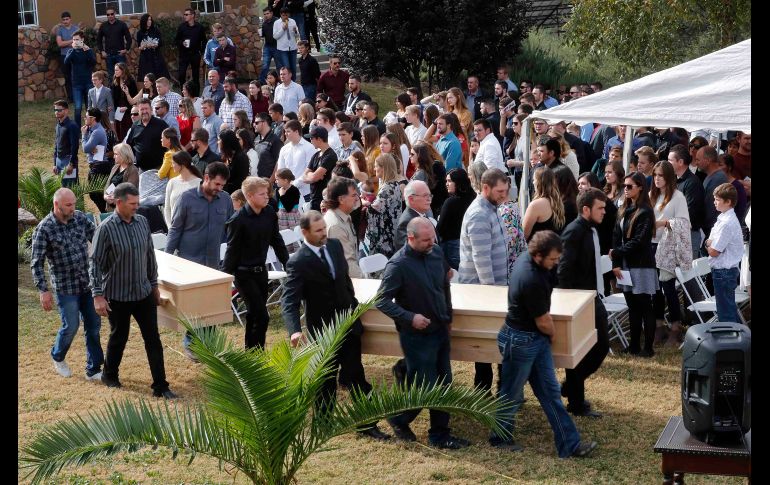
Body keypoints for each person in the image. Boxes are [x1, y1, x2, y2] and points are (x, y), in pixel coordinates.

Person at [280, 210, 390, 439]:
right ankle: (324, 425)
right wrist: (294, 331)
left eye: (324, 228)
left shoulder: (334, 246)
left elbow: (344, 281)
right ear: (305, 232)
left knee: (356, 375)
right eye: (318, 230)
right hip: (323, 331)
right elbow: (289, 301)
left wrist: (354, 308)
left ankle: (366, 424)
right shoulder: (298, 262)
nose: (324, 233)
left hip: (348, 324)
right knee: (326, 382)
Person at [490, 230, 597, 458]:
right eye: (552, 259)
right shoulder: (531, 279)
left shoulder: (533, 262)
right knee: (511, 393)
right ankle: (499, 438)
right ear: (538, 255)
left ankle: (569, 445)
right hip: (521, 341)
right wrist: (553, 335)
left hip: (531, 339)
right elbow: (544, 322)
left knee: (550, 394)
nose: (556, 263)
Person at [377, 217, 470, 449]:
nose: (432, 243)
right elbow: (381, 301)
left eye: (433, 238)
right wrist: (410, 317)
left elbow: (444, 286)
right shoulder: (398, 265)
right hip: (416, 336)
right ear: (411, 238)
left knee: (444, 383)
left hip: (440, 329)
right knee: (426, 387)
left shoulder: (436, 252)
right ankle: (398, 419)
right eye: (426, 240)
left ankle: (440, 434)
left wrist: (448, 316)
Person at [89, 182, 177, 399]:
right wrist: (97, 295)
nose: (137, 207)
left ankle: (160, 386)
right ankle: (109, 375)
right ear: (119, 203)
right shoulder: (106, 229)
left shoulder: (142, 222)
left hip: (143, 292)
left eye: (138, 203)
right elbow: (95, 263)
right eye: (132, 204)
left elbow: (149, 255)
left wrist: (154, 285)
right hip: (117, 295)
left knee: (153, 339)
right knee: (119, 336)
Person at [31, 188, 103, 380]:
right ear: (57, 205)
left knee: (93, 325)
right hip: (65, 288)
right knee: (71, 326)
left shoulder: (79, 218)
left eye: (74, 204)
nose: (73, 208)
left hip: (87, 283)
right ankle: (58, 356)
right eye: (68, 205)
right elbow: (36, 262)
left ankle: (94, 369)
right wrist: (43, 290)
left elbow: (97, 239)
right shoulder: (44, 228)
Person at [165, 162, 233, 358]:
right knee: (194, 305)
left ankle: (208, 344)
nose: (219, 189)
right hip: (189, 262)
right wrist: (168, 258)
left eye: (222, 185)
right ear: (206, 178)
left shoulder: (225, 199)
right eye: (217, 184)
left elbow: (231, 228)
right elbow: (175, 229)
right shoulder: (187, 198)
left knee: (211, 305)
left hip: (213, 263)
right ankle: (191, 343)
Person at [557, 188, 610, 417]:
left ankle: (572, 390)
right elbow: (563, 269)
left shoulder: (591, 229)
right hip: (579, 300)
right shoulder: (574, 231)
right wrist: (570, 302)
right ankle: (575, 399)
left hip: (592, 296)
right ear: (586, 209)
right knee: (588, 349)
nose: (604, 211)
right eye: (600, 208)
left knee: (599, 346)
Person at [224, 176, 290, 349]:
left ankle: (253, 354)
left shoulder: (269, 213)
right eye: (262, 194)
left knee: (254, 315)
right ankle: (256, 353)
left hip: (261, 272)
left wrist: (287, 263)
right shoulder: (238, 220)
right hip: (243, 274)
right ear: (250, 196)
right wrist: (224, 278)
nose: (267, 196)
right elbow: (232, 250)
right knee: (262, 315)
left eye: (267, 193)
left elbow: (276, 240)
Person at [458, 168, 509, 392]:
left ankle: (498, 386)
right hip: (483, 291)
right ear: (485, 188)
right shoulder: (479, 214)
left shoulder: (492, 207)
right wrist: (491, 294)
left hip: (493, 288)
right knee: (485, 343)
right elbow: (482, 259)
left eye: (505, 191)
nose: (504, 196)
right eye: (500, 191)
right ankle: (483, 388)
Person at [611, 171, 658, 357]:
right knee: (632, 306)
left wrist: (617, 253)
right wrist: (616, 261)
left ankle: (648, 348)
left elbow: (639, 241)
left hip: (641, 265)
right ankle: (634, 345)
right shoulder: (624, 209)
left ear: (640, 188)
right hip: (625, 264)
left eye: (629, 186)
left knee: (645, 305)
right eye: (624, 186)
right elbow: (616, 236)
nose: (626, 189)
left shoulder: (645, 212)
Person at [649, 160, 691, 345]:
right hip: (651, 245)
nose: (657, 179)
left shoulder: (678, 197)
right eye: (655, 175)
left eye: (661, 175)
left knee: (668, 288)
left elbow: (684, 223)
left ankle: (675, 327)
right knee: (655, 290)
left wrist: (665, 223)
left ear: (668, 177)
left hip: (667, 248)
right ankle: (659, 325)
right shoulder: (651, 195)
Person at [705, 183, 745, 324]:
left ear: (728, 202)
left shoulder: (726, 223)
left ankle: (731, 336)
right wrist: (709, 242)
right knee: (728, 309)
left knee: (725, 313)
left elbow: (714, 251)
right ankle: (739, 334)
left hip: (724, 273)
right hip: (725, 272)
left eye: (717, 200)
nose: (714, 202)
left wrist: (708, 244)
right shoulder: (723, 218)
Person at [363, 154, 404, 257]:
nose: (374, 169)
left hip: (386, 240)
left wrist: (362, 202)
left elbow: (374, 210)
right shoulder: (394, 184)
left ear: (384, 168)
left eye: (376, 166)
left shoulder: (388, 188)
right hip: (392, 234)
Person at [324, 177, 363, 278]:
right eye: (353, 195)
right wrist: (365, 283)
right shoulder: (336, 226)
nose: (357, 198)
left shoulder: (343, 216)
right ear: (341, 199)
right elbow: (347, 263)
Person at [436, 168, 475, 270]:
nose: (446, 184)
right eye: (446, 181)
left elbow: (440, 228)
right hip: (469, 244)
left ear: (458, 182)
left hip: (452, 246)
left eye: (449, 181)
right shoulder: (474, 198)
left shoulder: (451, 202)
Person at [276, 119, 316, 202]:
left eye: (288, 131)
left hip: (304, 193)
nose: (285, 134)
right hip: (286, 192)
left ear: (297, 131)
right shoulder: (284, 149)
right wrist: (286, 186)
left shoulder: (309, 147)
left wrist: (293, 185)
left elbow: (309, 170)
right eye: (285, 131)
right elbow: (280, 170)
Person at [696, 145, 729, 243]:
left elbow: (711, 209)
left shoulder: (718, 179)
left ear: (708, 160)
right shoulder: (711, 176)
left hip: (711, 232)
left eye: (698, 160)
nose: (696, 163)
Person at [522, 167, 565, 241]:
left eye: (534, 180)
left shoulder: (536, 205)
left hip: (538, 246)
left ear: (539, 182)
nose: (533, 182)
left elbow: (524, 234)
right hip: (554, 246)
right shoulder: (558, 201)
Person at [63, 30, 96, 127]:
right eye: (74, 40)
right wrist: (73, 50)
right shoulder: (71, 51)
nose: (75, 41)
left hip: (88, 83)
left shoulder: (88, 50)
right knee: (77, 108)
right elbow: (66, 62)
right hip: (76, 84)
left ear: (82, 40)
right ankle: (77, 130)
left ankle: (91, 127)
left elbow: (93, 62)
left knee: (89, 108)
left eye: (77, 39)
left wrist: (88, 51)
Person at [163, 150, 203, 228]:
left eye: (173, 163)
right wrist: (170, 228)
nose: (172, 166)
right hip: (175, 229)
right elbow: (167, 208)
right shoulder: (172, 182)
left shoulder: (199, 183)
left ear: (182, 165)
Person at [81, 108, 110, 212]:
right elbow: (89, 148)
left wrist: (83, 135)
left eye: (86, 117)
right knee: (94, 194)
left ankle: (105, 212)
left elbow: (85, 149)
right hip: (95, 165)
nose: (84, 118)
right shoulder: (91, 130)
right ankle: (105, 212)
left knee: (95, 194)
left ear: (93, 118)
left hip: (99, 166)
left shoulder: (97, 132)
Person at [302, 126, 338, 210]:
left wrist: (312, 175)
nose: (310, 141)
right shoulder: (316, 155)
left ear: (319, 139)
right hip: (314, 198)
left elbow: (314, 177)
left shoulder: (330, 156)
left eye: (312, 138)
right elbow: (304, 177)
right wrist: (313, 175)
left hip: (325, 200)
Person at [394, 180, 434, 252]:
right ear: (411, 199)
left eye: (430, 195)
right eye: (425, 195)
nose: (429, 199)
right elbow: (408, 253)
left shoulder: (423, 215)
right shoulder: (407, 222)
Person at [96, 7, 131, 82]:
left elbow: (129, 38)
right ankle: (113, 89)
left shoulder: (122, 24)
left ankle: (123, 89)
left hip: (120, 55)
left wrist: (126, 49)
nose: (110, 16)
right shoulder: (103, 26)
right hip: (109, 55)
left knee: (123, 75)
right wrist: (102, 51)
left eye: (111, 14)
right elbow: (98, 40)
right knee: (111, 76)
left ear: (115, 14)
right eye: (108, 14)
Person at [175, 8, 207, 89]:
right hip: (184, 54)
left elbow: (204, 40)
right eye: (184, 14)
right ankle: (184, 93)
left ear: (192, 15)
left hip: (195, 54)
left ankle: (196, 94)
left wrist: (201, 52)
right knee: (181, 74)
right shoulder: (182, 27)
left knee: (196, 75)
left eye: (186, 14)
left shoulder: (199, 27)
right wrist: (182, 43)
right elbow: (176, 40)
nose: (184, 16)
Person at [53, 99, 80, 187]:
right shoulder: (58, 125)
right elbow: (56, 145)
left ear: (66, 111)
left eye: (59, 110)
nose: (57, 112)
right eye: (55, 110)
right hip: (59, 161)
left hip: (68, 161)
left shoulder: (72, 125)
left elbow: (75, 146)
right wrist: (54, 163)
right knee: (61, 189)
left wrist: (71, 164)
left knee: (71, 189)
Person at [136, 13, 169, 82]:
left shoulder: (155, 30)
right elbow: (139, 46)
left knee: (159, 76)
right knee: (148, 77)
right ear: (144, 21)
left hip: (156, 56)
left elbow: (161, 42)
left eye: (150, 20)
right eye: (148, 20)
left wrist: (156, 45)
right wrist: (143, 46)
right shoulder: (140, 33)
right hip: (146, 58)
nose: (149, 21)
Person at [254, 111, 285, 180]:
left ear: (264, 123)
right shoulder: (256, 139)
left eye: (256, 123)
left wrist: (271, 181)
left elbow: (279, 163)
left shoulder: (276, 141)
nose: (254, 125)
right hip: (256, 180)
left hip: (268, 182)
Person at [218, 129, 250, 195]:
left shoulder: (241, 157)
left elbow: (240, 181)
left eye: (219, 140)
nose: (218, 142)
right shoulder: (226, 156)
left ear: (226, 142)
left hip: (237, 195)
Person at [111, 62, 138, 140]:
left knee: (127, 128)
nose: (115, 72)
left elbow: (135, 97)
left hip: (128, 108)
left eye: (117, 70)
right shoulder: (115, 82)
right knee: (119, 128)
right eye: (115, 70)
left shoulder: (131, 81)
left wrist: (127, 107)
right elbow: (113, 97)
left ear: (123, 70)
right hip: (118, 108)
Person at [55, 11, 78, 101]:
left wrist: (66, 42)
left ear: (70, 19)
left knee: (76, 76)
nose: (65, 21)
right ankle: (70, 97)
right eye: (63, 20)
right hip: (64, 56)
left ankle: (78, 96)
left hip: (75, 55)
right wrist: (72, 41)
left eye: (67, 19)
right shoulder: (60, 30)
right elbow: (60, 44)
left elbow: (79, 43)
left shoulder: (76, 29)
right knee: (67, 77)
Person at [273, 8, 300, 80]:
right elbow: (275, 36)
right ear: (280, 15)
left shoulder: (293, 21)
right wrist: (283, 29)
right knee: (287, 67)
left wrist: (295, 31)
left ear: (289, 14)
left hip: (292, 48)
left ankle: (293, 82)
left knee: (293, 68)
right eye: (283, 15)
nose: (285, 17)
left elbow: (297, 35)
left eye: (286, 15)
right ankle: (287, 82)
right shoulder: (276, 23)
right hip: (282, 49)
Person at [275, 167, 302, 234]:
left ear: (285, 180)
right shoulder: (278, 190)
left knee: (294, 235)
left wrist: (282, 195)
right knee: (284, 235)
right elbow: (277, 205)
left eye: (277, 179)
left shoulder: (294, 190)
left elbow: (288, 208)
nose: (275, 181)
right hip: (282, 218)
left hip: (292, 218)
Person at [259, 7, 280, 84]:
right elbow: (263, 35)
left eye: (267, 13)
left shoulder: (278, 21)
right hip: (267, 46)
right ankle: (262, 82)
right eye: (264, 14)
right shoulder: (264, 23)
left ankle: (280, 82)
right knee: (265, 66)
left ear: (271, 13)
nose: (266, 15)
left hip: (277, 46)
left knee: (279, 66)